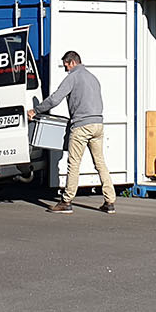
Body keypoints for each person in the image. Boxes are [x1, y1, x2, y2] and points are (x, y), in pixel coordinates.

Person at [28, 51, 116, 214]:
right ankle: (109, 201)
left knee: (73, 164)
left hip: (81, 126)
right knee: (100, 163)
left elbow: (55, 99)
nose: (65, 69)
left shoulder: (73, 77)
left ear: (73, 62)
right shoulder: (93, 78)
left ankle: (66, 201)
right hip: (98, 124)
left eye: (66, 65)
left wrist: (36, 110)